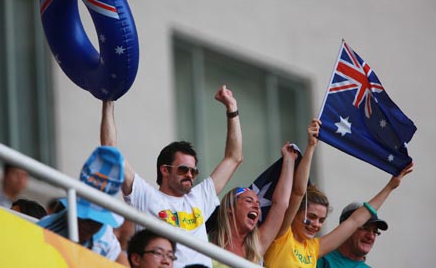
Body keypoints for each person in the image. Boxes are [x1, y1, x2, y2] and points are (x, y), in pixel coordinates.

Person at [101, 85, 243, 268]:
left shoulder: (200, 197)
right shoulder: (145, 196)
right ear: (165, 170)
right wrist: (108, 101)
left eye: (194, 171)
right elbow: (110, 149)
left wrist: (232, 108)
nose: (190, 175)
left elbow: (234, 157)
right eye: (184, 169)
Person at [263, 118, 414, 268]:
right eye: (311, 217)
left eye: (321, 220)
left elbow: (354, 222)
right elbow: (298, 192)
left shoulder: (313, 248)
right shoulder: (282, 235)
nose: (316, 225)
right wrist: (311, 147)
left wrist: (390, 186)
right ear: (295, 213)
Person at [38, 146, 130, 267]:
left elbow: (120, 259)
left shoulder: (104, 232)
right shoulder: (43, 233)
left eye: (97, 221)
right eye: (83, 216)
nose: (89, 225)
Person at [209, 141, 297, 265]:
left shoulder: (256, 246)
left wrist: (289, 160)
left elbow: (280, 204)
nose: (257, 206)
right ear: (230, 208)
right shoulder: (206, 242)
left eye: (258, 203)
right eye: (249, 201)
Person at [316, 201, 389, 268]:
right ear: (346, 228)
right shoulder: (320, 258)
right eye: (365, 228)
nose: (371, 236)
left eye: (375, 231)